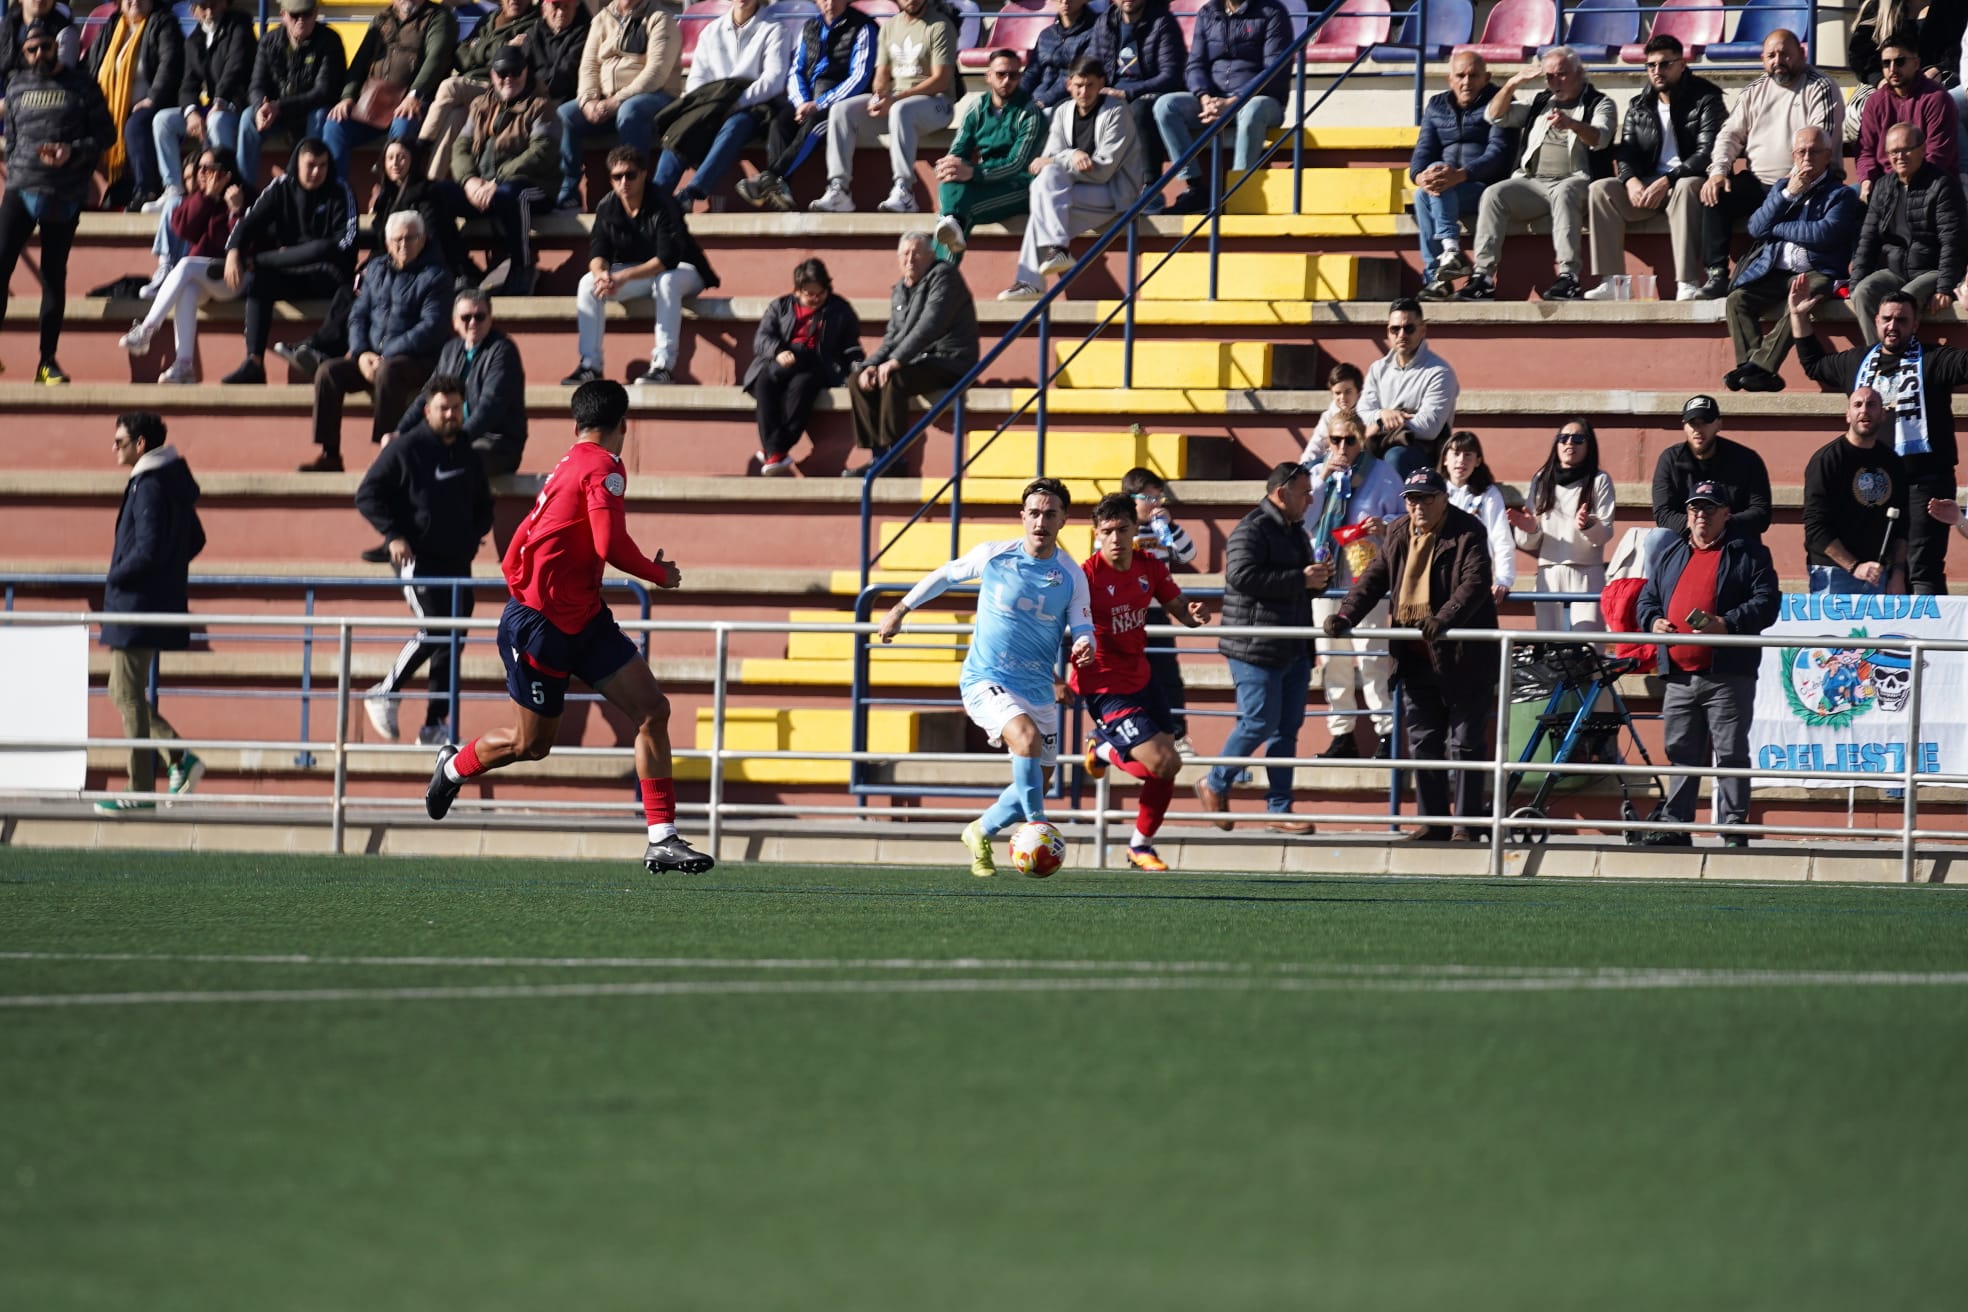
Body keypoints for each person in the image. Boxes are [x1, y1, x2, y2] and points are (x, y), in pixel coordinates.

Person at [425, 379, 715, 876]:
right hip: (541, 627)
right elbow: (608, 544)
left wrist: (533, 582)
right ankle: (452, 767)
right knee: (531, 745)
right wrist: (659, 574)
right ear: (623, 427)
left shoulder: (567, 463)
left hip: (581, 616)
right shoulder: (604, 468)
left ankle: (662, 837)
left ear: (577, 424)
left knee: (651, 710)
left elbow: (522, 540)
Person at [876, 478, 1093, 877]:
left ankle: (980, 830)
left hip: (1038, 689)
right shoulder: (996, 555)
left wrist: (1084, 644)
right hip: (985, 679)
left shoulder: (1072, 575)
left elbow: (1082, 625)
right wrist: (900, 609)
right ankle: (1036, 827)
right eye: (1033, 513)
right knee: (1025, 740)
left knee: (1040, 778)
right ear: (1022, 517)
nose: (1040, 521)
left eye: (1050, 514)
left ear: (1063, 520)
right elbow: (945, 575)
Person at [1327, 467, 1499, 842]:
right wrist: (1345, 615)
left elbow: (1475, 582)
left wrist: (1444, 619)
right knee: (1424, 738)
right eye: (1411, 498)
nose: (1418, 505)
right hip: (1415, 654)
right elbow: (1373, 577)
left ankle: (1467, 826)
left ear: (1443, 499)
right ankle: (1433, 821)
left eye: (1426, 498)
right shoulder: (1399, 531)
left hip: (1464, 656)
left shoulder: (1469, 530)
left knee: (1466, 741)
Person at [1793, 280, 1968, 594]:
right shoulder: (1856, 361)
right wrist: (1799, 318)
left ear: (1915, 324)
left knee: (1921, 567)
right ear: (1875, 321)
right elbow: (1815, 365)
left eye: (1901, 320)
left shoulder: (1934, 359)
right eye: (1886, 319)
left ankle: (1926, 640)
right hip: (1873, 481)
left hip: (1924, 482)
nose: (1893, 326)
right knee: (1875, 568)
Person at [1636, 481, 1781, 848]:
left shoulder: (1749, 553)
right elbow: (1647, 600)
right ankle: (1676, 826)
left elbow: (1767, 603)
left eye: (1710, 508)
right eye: (1695, 508)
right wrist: (1653, 622)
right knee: (1681, 752)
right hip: (1679, 675)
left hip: (1728, 673)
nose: (1701, 515)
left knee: (1730, 752)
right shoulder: (1672, 554)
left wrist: (1727, 623)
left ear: (1726, 514)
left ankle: (1734, 827)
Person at [1073, 491, 1209, 872]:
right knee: (1162, 762)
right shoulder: (1084, 577)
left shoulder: (1149, 565)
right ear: (1096, 534)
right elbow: (1059, 629)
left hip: (1143, 677)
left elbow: (1179, 608)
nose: (1115, 538)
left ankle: (1140, 846)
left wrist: (1194, 614)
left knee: (1168, 767)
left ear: (1136, 528)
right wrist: (1060, 673)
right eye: (1107, 531)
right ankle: (1102, 749)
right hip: (1104, 685)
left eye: (1122, 529)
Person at [357, 374, 495, 747]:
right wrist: (393, 534)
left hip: (458, 564)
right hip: (417, 559)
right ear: (426, 410)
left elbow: (484, 503)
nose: (450, 415)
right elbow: (368, 494)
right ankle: (384, 692)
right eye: (442, 408)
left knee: (454, 639)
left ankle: (435, 723)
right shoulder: (406, 449)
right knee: (435, 629)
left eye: (456, 407)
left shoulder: (467, 451)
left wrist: (474, 532)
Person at [1194, 462, 1317, 834]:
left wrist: (1317, 580)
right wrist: (1301, 579)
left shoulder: (1295, 530)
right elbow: (1241, 576)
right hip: (1254, 646)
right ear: (1282, 493)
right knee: (1259, 721)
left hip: (1292, 645)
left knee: (1286, 729)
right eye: (1304, 493)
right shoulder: (1252, 528)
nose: (1310, 500)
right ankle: (1214, 782)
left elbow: (1299, 583)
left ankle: (1279, 810)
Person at [274, 138, 459, 376]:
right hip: (391, 267)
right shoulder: (386, 197)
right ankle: (317, 348)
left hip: (422, 270)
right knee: (347, 290)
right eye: (390, 157)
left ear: (413, 161)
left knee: (362, 294)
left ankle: (321, 348)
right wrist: (370, 267)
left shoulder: (427, 193)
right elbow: (382, 245)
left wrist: (380, 266)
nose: (396, 163)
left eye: (402, 157)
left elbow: (427, 241)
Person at [98, 411, 206, 813]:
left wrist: (114, 578)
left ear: (141, 444)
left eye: (120, 442)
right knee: (121, 690)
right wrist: (167, 576)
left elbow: (148, 549)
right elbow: (194, 538)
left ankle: (142, 787)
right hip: (146, 601)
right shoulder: (168, 481)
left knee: (125, 694)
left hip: (135, 604)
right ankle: (179, 758)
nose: (114, 448)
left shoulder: (149, 485)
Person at [1453, 46, 1613, 302]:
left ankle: (1568, 277)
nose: (1554, 81)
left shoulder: (1600, 102)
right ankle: (1483, 277)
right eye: (1549, 76)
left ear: (1579, 72)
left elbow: (1602, 138)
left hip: (1578, 181)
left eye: (1561, 74)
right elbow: (1494, 116)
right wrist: (1513, 83)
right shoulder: (1540, 101)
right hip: (1534, 183)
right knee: (1494, 194)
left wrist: (1571, 124)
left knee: (1564, 191)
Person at [0, 20, 112, 385]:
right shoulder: (16, 85)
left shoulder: (83, 85)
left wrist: (72, 152)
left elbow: (106, 134)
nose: (38, 55)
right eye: (31, 50)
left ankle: (46, 362)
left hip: (62, 196)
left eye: (45, 47)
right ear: (22, 53)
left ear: (57, 47)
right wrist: (21, 167)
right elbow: (13, 139)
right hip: (20, 190)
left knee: (53, 278)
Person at [1696, 29, 1844, 300]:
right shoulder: (1754, 90)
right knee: (1715, 195)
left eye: (1785, 54)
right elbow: (1730, 134)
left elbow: (1821, 141)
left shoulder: (1820, 86)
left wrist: (1794, 184)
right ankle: (1716, 274)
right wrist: (1718, 171)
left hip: (1808, 184)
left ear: (1801, 54)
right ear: (1763, 59)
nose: (1779, 61)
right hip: (1760, 182)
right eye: (1772, 55)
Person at [302, 209, 450, 473]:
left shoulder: (436, 275)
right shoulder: (376, 269)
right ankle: (330, 454)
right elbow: (358, 316)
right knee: (327, 372)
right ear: (387, 243)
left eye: (411, 238)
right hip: (371, 358)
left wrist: (386, 354)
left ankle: (385, 454)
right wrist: (360, 354)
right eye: (397, 240)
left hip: (417, 361)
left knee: (390, 371)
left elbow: (430, 328)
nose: (404, 245)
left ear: (423, 239)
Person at [561, 144, 720, 388]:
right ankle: (590, 365)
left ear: (644, 174)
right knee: (587, 283)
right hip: (640, 275)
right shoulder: (607, 207)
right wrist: (602, 274)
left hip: (684, 271)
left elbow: (668, 258)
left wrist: (623, 277)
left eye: (630, 175)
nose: (624, 182)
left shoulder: (663, 202)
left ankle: (663, 366)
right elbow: (597, 251)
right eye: (617, 176)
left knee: (666, 280)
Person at [1719, 126, 1861, 394]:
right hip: (1775, 270)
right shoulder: (1783, 188)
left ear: (1828, 155)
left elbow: (1824, 233)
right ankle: (1752, 367)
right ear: (1793, 155)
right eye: (1801, 152)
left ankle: (1759, 367)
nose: (1807, 157)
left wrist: (1778, 226)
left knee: (1803, 296)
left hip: (1817, 270)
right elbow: (1756, 227)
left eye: (1814, 152)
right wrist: (1789, 195)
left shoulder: (1840, 194)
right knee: (1738, 299)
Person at [1584, 35, 1724, 303]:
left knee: (1686, 186)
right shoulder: (1639, 104)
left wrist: (1668, 180)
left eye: (1664, 64)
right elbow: (1626, 151)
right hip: (1648, 185)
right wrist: (1630, 180)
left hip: (1684, 183)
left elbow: (1707, 153)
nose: (1657, 72)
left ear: (1681, 64)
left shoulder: (1707, 98)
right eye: (1651, 66)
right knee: (1601, 189)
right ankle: (1612, 282)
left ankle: (1687, 281)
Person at [999, 57, 1141, 301]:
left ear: (1102, 84)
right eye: (1078, 85)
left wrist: (1060, 160)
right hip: (1074, 192)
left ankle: (1030, 279)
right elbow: (1048, 161)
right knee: (1046, 187)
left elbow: (1103, 170)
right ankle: (1056, 251)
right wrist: (1071, 154)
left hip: (1113, 192)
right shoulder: (1063, 111)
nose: (1084, 92)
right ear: (1068, 85)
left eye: (1090, 85)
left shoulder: (1117, 112)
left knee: (1044, 200)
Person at [1305, 410, 1403, 761]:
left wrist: (1384, 525)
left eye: (1349, 440)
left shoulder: (1382, 474)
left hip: (1366, 580)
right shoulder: (1317, 473)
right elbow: (1303, 519)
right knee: (1333, 660)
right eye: (1335, 440)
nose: (1342, 447)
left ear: (1362, 440)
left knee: (1372, 656)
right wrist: (1321, 481)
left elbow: (1404, 520)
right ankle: (1341, 733)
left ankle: (1386, 732)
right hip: (1326, 578)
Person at [116, 144, 250, 384]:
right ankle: (184, 365)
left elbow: (228, 244)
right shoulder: (201, 197)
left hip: (237, 278)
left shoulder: (245, 196)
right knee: (186, 290)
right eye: (200, 167)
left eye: (209, 168)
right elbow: (183, 228)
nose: (202, 173)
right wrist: (207, 197)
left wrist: (236, 211)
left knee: (187, 265)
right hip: (207, 277)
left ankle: (146, 330)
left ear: (227, 173)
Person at [847, 230, 978, 475]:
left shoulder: (944, 277)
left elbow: (930, 326)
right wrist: (870, 366)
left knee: (895, 379)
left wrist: (895, 361)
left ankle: (896, 460)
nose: (910, 259)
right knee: (859, 380)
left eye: (917, 253)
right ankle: (878, 456)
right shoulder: (899, 289)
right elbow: (893, 337)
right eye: (905, 254)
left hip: (950, 360)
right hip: (917, 360)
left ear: (931, 255)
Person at [810, 0, 959, 214]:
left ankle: (904, 191)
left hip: (937, 104)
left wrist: (896, 99)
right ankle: (839, 190)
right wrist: (879, 95)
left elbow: (941, 80)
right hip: (898, 102)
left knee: (901, 109)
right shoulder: (890, 26)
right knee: (842, 111)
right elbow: (881, 72)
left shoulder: (940, 25)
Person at [733, 0, 875, 213]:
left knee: (814, 125)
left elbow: (859, 78)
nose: (830, 4)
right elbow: (796, 70)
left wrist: (819, 104)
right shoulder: (810, 27)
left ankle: (770, 177)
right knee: (779, 123)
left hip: (841, 104)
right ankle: (781, 188)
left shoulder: (864, 27)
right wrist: (801, 102)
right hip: (808, 100)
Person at [1153, 0, 1290, 216]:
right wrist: (1204, 97)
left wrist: (1232, 102)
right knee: (1166, 106)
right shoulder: (1208, 12)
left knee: (1253, 109)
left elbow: (1274, 70)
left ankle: (1239, 191)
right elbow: (1195, 64)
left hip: (1263, 100)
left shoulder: (1272, 12)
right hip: (1215, 100)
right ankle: (1195, 187)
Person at [441, 44, 559, 295]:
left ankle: (523, 268)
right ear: (492, 75)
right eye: (502, 73)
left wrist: (496, 180)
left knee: (511, 194)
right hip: (482, 189)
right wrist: (469, 181)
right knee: (434, 194)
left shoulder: (541, 106)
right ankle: (464, 271)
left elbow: (542, 152)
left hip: (532, 186)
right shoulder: (480, 105)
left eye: (515, 72)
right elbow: (460, 147)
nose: (508, 79)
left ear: (526, 72)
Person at [648, 0, 788, 206]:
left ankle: (693, 192)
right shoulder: (711, 31)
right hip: (712, 101)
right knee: (683, 127)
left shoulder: (775, 29)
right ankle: (655, 200)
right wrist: (708, 107)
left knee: (736, 124)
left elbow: (773, 80)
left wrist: (739, 103)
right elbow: (697, 78)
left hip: (755, 105)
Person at [555, 0, 681, 211]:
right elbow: (589, 67)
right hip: (608, 99)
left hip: (656, 98)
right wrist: (588, 101)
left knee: (630, 111)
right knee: (564, 115)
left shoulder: (661, 18)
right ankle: (569, 193)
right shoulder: (601, 19)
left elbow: (656, 74)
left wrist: (616, 101)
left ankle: (634, 193)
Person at [743, 257, 863, 476]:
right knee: (764, 382)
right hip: (781, 362)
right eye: (809, 294)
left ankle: (773, 449)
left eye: (820, 293)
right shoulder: (779, 307)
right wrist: (778, 352)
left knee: (803, 387)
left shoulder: (840, 309)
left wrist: (857, 366)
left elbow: (851, 345)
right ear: (797, 291)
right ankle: (775, 451)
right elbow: (762, 338)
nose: (816, 298)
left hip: (818, 365)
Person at [392, 289, 529, 476]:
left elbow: (490, 406)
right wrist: (400, 433)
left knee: (454, 464)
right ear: (455, 322)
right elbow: (428, 395)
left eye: (480, 316)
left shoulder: (503, 351)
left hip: (494, 442)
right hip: (451, 436)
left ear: (490, 319)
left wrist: (456, 441)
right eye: (466, 317)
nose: (473, 323)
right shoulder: (450, 350)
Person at [1849, 123, 1964, 341]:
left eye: (1906, 149)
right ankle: (1878, 358)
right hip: (1894, 270)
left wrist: (1944, 287)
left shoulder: (1942, 185)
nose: (1899, 156)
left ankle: (1900, 363)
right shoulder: (1882, 186)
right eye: (1893, 152)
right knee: (1862, 293)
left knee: (1902, 302)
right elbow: (1868, 239)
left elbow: (1953, 241)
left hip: (1931, 270)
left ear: (1923, 149)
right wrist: (1855, 284)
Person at [1411, 50, 1510, 300]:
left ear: (1487, 77)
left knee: (1436, 186)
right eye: (1460, 75)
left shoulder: (1500, 100)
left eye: (1473, 75)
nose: (1467, 82)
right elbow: (1422, 151)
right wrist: (1419, 176)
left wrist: (1462, 175)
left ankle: (1449, 254)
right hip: (1445, 187)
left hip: (1484, 188)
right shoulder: (1436, 105)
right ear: (1449, 79)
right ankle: (1440, 274)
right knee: (1423, 192)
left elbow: (1499, 155)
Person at [322, 0, 459, 179]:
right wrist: (347, 97)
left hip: (414, 101)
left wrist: (415, 94)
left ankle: (393, 193)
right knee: (335, 125)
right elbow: (360, 61)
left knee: (403, 124)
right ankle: (336, 194)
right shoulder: (381, 19)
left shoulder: (439, 17)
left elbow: (436, 59)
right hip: (373, 101)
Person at [930, 48, 1044, 258]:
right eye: (1001, 74)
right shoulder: (977, 108)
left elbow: (1017, 164)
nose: (1007, 80)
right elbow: (959, 149)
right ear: (988, 76)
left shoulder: (1030, 113)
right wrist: (951, 165)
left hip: (1022, 186)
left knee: (961, 214)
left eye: (1014, 75)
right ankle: (939, 276)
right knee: (951, 182)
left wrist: (973, 173)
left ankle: (936, 282)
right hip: (986, 180)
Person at [1508, 419, 1614, 632]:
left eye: (1578, 439)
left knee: (1587, 647)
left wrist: (1587, 525)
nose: (1569, 444)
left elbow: (1605, 533)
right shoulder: (1542, 479)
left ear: (1589, 445)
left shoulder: (1599, 480)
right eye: (1563, 438)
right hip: (1549, 572)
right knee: (1550, 648)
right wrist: (1530, 529)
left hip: (1586, 573)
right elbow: (1529, 542)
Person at [1802, 387, 1911, 594]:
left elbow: (1901, 525)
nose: (1864, 410)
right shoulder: (1827, 460)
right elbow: (1815, 527)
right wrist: (1854, 567)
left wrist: (1898, 574)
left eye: (1871, 405)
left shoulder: (1893, 463)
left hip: (1879, 575)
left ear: (1883, 414)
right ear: (1847, 415)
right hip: (1833, 574)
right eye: (1857, 405)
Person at [1120, 465, 1195, 752]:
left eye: (1159, 499)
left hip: (1156, 611)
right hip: (1126, 614)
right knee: (1129, 675)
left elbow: (1189, 553)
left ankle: (1178, 736)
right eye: (1149, 499)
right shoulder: (1119, 529)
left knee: (1167, 676)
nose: (1155, 505)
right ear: (1132, 499)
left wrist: (1171, 527)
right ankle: (1133, 734)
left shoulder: (1162, 530)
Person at [150, 0, 254, 207]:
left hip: (238, 104)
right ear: (193, 11)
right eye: (203, 7)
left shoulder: (240, 26)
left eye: (213, 6)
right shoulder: (193, 41)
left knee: (216, 120)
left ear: (224, 4)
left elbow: (235, 69)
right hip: (213, 107)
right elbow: (188, 85)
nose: (209, 12)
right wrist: (191, 113)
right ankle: (174, 190)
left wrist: (219, 101)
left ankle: (224, 188)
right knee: (163, 120)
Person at [420, 0, 537, 182]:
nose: (515, 1)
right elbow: (461, 55)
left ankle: (419, 146)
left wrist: (478, 48)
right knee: (455, 117)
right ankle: (428, 185)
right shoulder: (489, 18)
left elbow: (508, 59)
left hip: (499, 89)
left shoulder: (533, 23)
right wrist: (501, 45)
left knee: (450, 86)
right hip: (473, 87)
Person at [86, 0, 185, 211]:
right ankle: (78, 196)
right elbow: (91, 67)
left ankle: (146, 189)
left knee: (135, 125)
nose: (135, 1)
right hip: (111, 109)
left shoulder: (164, 24)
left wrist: (153, 98)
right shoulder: (111, 27)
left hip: (154, 104)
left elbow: (170, 64)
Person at [236, 0, 345, 190]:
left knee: (319, 116)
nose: (301, 20)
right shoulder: (268, 42)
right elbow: (256, 86)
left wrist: (279, 106)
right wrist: (259, 107)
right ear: (283, 15)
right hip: (278, 113)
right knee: (248, 118)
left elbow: (324, 92)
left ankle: (311, 190)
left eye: (307, 14)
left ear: (316, 12)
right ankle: (244, 193)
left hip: (309, 111)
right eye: (295, 15)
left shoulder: (330, 41)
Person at [1649, 393, 1774, 546]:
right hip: (1684, 542)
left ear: (1719, 424)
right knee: (1655, 539)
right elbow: (1663, 513)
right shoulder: (1670, 460)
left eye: (1705, 422)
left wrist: (1718, 524)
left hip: (1735, 543)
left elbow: (1761, 514)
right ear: (1684, 426)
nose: (1698, 430)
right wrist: (1699, 526)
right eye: (1693, 423)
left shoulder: (1746, 460)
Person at [1085, 0, 1183, 190]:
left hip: (1147, 92)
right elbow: (1091, 64)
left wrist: (1127, 92)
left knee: (1140, 109)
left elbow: (1170, 75)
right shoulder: (1105, 22)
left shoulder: (1162, 22)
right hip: (1111, 90)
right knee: (1067, 107)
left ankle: (1150, 187)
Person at [1358, 297, 1459, 479]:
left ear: (1422, 330)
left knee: (1396, 457)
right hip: (1377, 444)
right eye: (1395, 329)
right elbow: (1363, 413)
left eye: (1409, 328)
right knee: (1331, 458)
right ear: (1388, 332)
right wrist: (1383, 415)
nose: (1401, 334)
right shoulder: (1378, 368)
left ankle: (1397, 507)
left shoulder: (1439, 372)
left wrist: (1385, 421)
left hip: (1422, 453)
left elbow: (1429, 427)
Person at [1856, 32, 1960, 199]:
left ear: (1916, 63)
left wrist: (1902, 186)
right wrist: (1866, 181)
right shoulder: (1874, 102)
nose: (1892, 69)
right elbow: (1865, 151)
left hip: (1930, 185)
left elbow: (1938, 156)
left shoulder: (1937, 99)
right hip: (1884, 184)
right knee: (1850, 198)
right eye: (1885, 63)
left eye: (1900, 61)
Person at [1440, 429, 1515, 607]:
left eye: (1468, 455)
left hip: (1474, 579)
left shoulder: (1488, 494)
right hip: (1440, 579)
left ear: (1478, 461)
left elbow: (1501, 538)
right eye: (1456, 454)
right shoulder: (1434, 493)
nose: (1461, 460)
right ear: (1444, 459)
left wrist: (1503, 579)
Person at [1027, 0, 1099, 111]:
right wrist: (1015, 97)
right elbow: (1031, 73)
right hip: (1036, 98)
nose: (1064, 1)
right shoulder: (1046, 34)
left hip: (1068, 102)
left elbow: (1078, 75)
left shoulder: (1096, 31)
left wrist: (1044, 101)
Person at [0, 0, 78, 100]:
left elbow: (62, 87)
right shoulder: (6, 28)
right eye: (32, 49)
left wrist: (9, 105)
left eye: (46, 47)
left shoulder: (66, 32)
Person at [522, 0, 589, 111]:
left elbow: (566, 72)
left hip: (566, 100)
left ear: (575, 9)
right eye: (556, 6)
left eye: (566, 6)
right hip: (532, 98)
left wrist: (537, 87)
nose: (561, 12)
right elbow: (521, 69)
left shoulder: (584, 35)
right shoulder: (533, 34)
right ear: (544, 10)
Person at [1301, 360, 1363, 465]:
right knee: (1308, 467)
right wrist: (1304, 465)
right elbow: (1317, 443)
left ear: (1358, 392)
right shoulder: (1328, 416)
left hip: (1361, 461)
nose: (1342, 397)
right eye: (1338, 393)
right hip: (1334, 460)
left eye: (1348, 392)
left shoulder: (1368, 413)